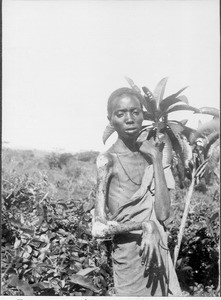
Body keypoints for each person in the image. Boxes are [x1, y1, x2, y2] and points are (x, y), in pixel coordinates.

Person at [92, 87, 182, 296]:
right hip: (129, 259)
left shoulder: (151, 156)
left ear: (143, 115)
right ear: (110, 120)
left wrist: (157, 159)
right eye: (120, 114)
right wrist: (145, 226)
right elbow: (98, 228)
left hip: (157, 255)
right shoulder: (107, 160)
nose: (129, 119)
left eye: (135, 112)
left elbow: (163, 214)